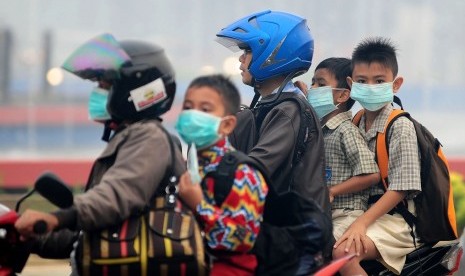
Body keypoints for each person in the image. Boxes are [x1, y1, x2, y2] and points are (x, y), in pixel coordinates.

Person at [14, 33, 189, 274]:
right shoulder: (128, 139)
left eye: (104, 85)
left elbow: (115, 197)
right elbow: (81, 236)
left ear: (134, 90)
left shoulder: (150, 137)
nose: (97, 92)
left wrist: (58, 217)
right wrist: (23, 235)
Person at [216, 10, 332, 275]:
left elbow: (257, 165)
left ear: (272, 54)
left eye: (247, 51)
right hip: (273, 228)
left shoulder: (288, 110)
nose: (241, 60)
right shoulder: (262, 107)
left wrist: (219, 174)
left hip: (299, 235)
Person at [332, 37, 422, 275]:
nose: (370, 86)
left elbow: (401, 188)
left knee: (345, 253)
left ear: (396, 84)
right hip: (364, 212)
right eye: (362, 81)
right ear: (351, 84)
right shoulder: (357, 119)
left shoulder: (400, 125)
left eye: (379, 80)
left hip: (398, 220)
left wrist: (360, 223)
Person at [175, 74, 268, 276]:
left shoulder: (243, 173)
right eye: (188, 107)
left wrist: (199, 204)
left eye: (205, 109)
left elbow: (242, 240)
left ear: (227, 125)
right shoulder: (187, 164)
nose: (193, 115)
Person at [307, 57, 380, 241]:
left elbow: (371, 174)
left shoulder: (346, 131)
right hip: (328, 214)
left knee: (318, 249)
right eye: (312, 82)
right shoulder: (322, 131)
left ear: (342, 95)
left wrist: (333, 191)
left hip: (347, 215)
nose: (313, 89)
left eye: (320, 84)